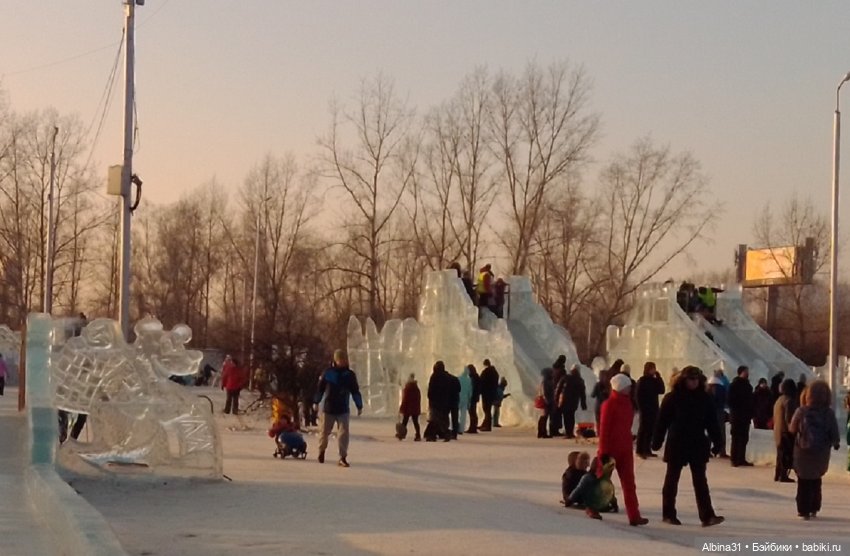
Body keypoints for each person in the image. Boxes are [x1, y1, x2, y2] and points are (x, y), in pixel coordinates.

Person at [652, 366, 725, 527]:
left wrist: (718, 442)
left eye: (696, 379)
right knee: (672, 479)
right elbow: (662, 421)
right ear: (683, 380)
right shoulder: (672, 398)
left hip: (697, 443)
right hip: (677, 442)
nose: (694, 382)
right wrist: (656, 441)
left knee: (700, 482)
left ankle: (707, 516)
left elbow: (712, 423)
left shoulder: (705, 399)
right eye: (691, 379)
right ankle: (668, 513)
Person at [598, 373, 648, 526]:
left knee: (629, 483)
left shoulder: (628, 404)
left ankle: (634, 515)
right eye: (628, 386)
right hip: (610, 449)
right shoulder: (609, 405)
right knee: (601, 481)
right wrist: (604, 451)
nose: (630, 389)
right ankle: (592, 506)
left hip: (625, 448)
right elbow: (604, 430)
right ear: (621, 387)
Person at [789, 381, 841, 519]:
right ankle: (814, 507)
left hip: (802, 451)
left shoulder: (801, 411)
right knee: (816, 480)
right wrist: (835, 442)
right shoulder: (828, 413)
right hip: (821, 451)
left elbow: (792, 429)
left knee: (803, 480)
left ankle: (803, 508)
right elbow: (834, 431)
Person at [314, 349, 363, 467]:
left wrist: (359, 405)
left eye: (344, 359)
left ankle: (343, 456)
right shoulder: (328, 373)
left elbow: (355, 391)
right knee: (324, 432)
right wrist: (316, 401)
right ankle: (321, 450)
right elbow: (320, 389)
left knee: (343, 433)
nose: (342, 361)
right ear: (335, 360)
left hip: (343, 409)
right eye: (340, 359)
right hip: (329, 408)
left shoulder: (349, 375)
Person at [635, 361, 665, 458]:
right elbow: (638, 395)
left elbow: (662, 390)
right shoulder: (642, 380)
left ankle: (647, 449)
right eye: (652, 368)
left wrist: (659, 377)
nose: (654, 370)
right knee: (643, 429)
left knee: (651, 430)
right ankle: (640, 449)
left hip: (653, 408)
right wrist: (640, 408)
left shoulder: (654, 380)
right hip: (645, 409)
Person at [727, 365, 754, 467]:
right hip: (737, 416)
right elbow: (730, 400)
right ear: (741, 372)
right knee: (736, 438)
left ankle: (741, 458)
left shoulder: (748, 385)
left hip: (745, 416)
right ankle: (734, 459)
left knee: (744, 438)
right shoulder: (734, 385)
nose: (748, 373)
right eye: (746, 371)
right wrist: (737, 409)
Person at [773, 378, 798, 483]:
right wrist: (793, 431)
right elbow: (789, 418)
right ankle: (783, 475)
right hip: (785, 431)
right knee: (786, 453)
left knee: (780, 453)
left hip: (778, 430)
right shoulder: (789, 401)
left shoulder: (779, 400)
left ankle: (777, 474)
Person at [424, 361, 453, 442]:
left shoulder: (434, 376)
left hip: (435, 402)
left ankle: (432, 435)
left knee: (435, 419)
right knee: (442, 419)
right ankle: (446, 433)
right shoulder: (447, 377)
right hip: (445, 402)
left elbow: (431, 390)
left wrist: (431, 399)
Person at [558, 364, 587, 439]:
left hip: (565, 401)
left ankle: (568, 433)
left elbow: (558, 389)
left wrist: (556, 399)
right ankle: (570, 433)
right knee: (571, 416)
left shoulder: (565, 377)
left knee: (566, 416)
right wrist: (583, 404)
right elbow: (582, 393)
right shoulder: (580, 380)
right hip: (574, 401)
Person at [706, 374, 729, 458]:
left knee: (709, 432)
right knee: (721, 432)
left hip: (709, 412)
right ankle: (721, 451)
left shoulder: (707, 388)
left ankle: (707, 450)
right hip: (719, 411)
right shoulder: (722, 386)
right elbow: (725, 399)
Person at [398, 373, 422, 441]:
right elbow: (418, 399)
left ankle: (402, 434)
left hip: (408, 408)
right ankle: (418, 435)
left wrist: (402, 408)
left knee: (405, 422)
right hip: (415, 408)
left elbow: (405, 399)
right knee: (415, 422)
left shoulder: (408, 388)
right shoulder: (416, 388)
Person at [479, 358, 499, 431]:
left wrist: (480, 391)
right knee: (488, 409)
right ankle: (485, 424)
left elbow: (481, 381)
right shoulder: (495, 372)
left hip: (486, 393)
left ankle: (487, 426)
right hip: (492, 393)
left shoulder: (486, 372)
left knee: (486, 409)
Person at [537, 368, 555, 439]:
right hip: (546, 401)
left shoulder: (547, 381)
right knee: (544, 417)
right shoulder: (545, 382)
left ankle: (541, 432)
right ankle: (542, 432)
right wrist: (546, 400)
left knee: (544, 417)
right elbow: (544, 392)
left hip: (548, 400)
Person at [466, 364, 481, 434]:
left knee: (472, 412)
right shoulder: (476, 377)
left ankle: (473, 428)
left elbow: (472, 389)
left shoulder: (473, 378)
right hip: (474, 398)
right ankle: (473, 427)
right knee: (473, 412)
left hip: (472, 398)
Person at [458, 366, 472, 433]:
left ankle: (455, 427)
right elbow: (470, 391)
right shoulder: (469, 380)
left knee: (456, 414)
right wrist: (469, 400)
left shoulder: (458, 378)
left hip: (458, 398)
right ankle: (461, 429)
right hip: (465, 399)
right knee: (463, 415)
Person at [449, 370, 462, 439]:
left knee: (446, 415)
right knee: (455, 417)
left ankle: (446, 431)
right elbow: (459, 389)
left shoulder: (448, 380)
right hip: (455, 400)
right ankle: (455, 432)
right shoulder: (456, 379)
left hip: (449, 400)